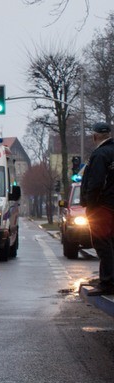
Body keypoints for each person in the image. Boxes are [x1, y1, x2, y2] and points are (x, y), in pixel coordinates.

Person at [80, 122, 114, 296]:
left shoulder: (100, 154)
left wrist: (90, 205)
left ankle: (107, 282)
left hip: (102, 207)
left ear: (95, 136)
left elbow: (96, 183)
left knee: (101, 242)